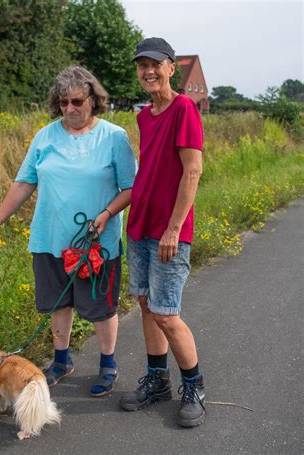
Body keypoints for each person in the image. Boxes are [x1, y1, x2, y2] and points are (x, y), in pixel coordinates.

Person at [0, 66, 137, 397]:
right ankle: (61, 361)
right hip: (49, 238)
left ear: (93, 99)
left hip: (96, 244)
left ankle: (108, 364)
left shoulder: (114, 137)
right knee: (57, 303)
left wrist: (106, 214)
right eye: (63, 102)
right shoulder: (44, 137)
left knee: (100, 306)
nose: (69, 109)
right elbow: (24, 182)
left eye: (76, 101)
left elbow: (131, 188)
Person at [119, 37, 206, 427]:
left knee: (166, 313)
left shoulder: (184, 108)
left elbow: (192, 171)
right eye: (142, 66)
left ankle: (195, 386)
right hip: (140, 226)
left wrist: (174, 229)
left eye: (156, 64)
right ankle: (157, 380)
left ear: (172, 68)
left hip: (169, 231)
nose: (149, 71)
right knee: (145, 305)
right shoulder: (144, 115)